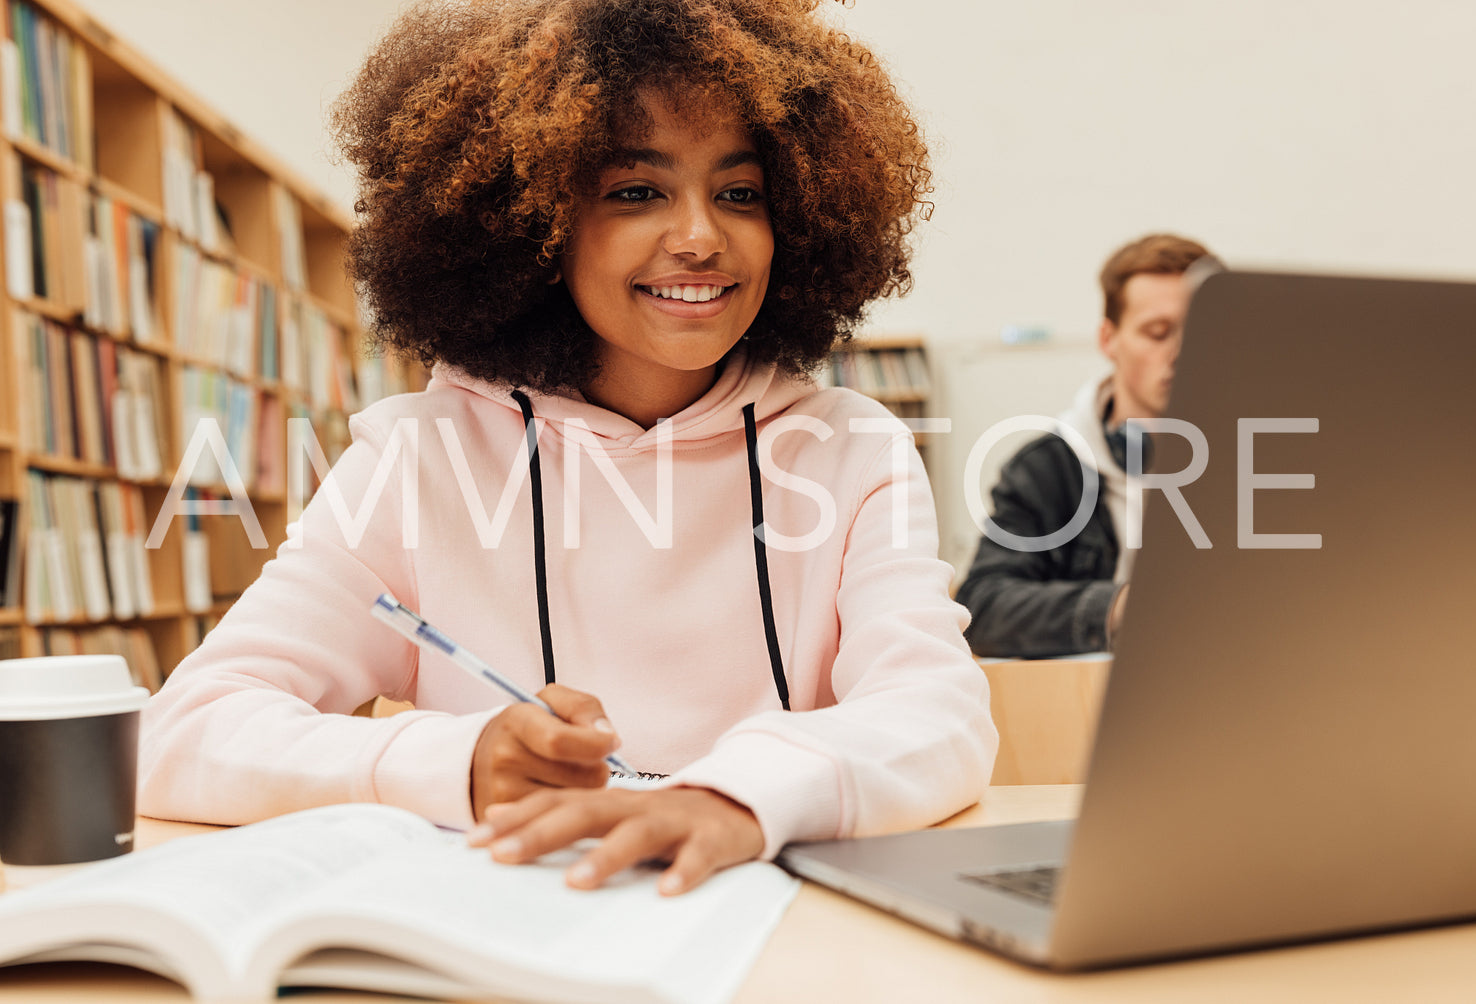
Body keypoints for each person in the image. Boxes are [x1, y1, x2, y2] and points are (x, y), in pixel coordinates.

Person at [138, 0, 996, 897]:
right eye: (636, 192)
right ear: (531, 224)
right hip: (516, 927)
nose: (701, 237)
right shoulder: (415, 457)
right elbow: (185, 731)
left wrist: (736, 799)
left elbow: (939, 713)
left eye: (740, 193)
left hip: (778, 934)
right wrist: (460, 762)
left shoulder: (853, 451)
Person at [956, 233, 1216, 658]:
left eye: (1199, 331)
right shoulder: (1047, 469)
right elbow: (982, 608)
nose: (1181, 352)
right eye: (1157, 332)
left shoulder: (1256, 459)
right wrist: (1124, 608)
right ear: (1108, 339)